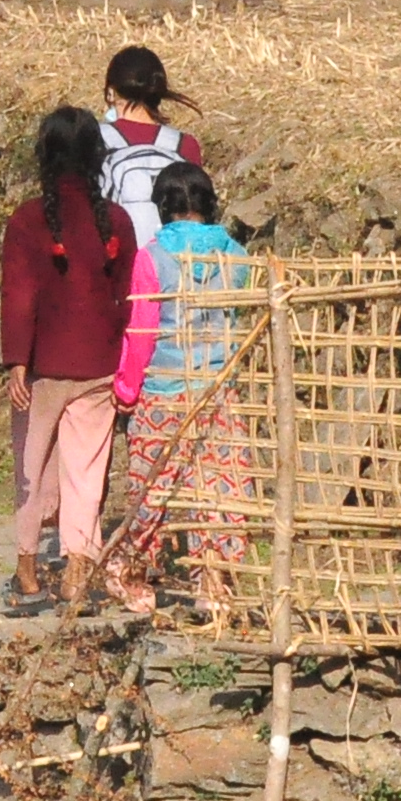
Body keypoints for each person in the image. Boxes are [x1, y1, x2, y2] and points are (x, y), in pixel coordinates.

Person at [1, 104, 137, 618]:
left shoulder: (27, 219)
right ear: (97, 157)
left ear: (45, 155)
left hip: (42, 368)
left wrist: (17, 360)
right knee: (86, 469)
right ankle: (78, 571)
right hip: (99, 365)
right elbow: (125, 299)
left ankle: (28, 570)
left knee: (32, 468)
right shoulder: (116, 221)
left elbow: (19, 295)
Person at [114, 159, 256, 612]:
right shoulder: (235, 257)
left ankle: (135, 577)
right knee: (218, 489)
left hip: (163, 391)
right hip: (216, 392)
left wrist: (126, 390)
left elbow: (142, 332)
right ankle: (213, 586)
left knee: (152, 489)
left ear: (162, 207)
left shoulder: (151, 259)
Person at [95, 46, 203, 228]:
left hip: (119, 252)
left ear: (111, 92)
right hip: (174, 254)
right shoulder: (184, 145)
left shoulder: (94, 139)